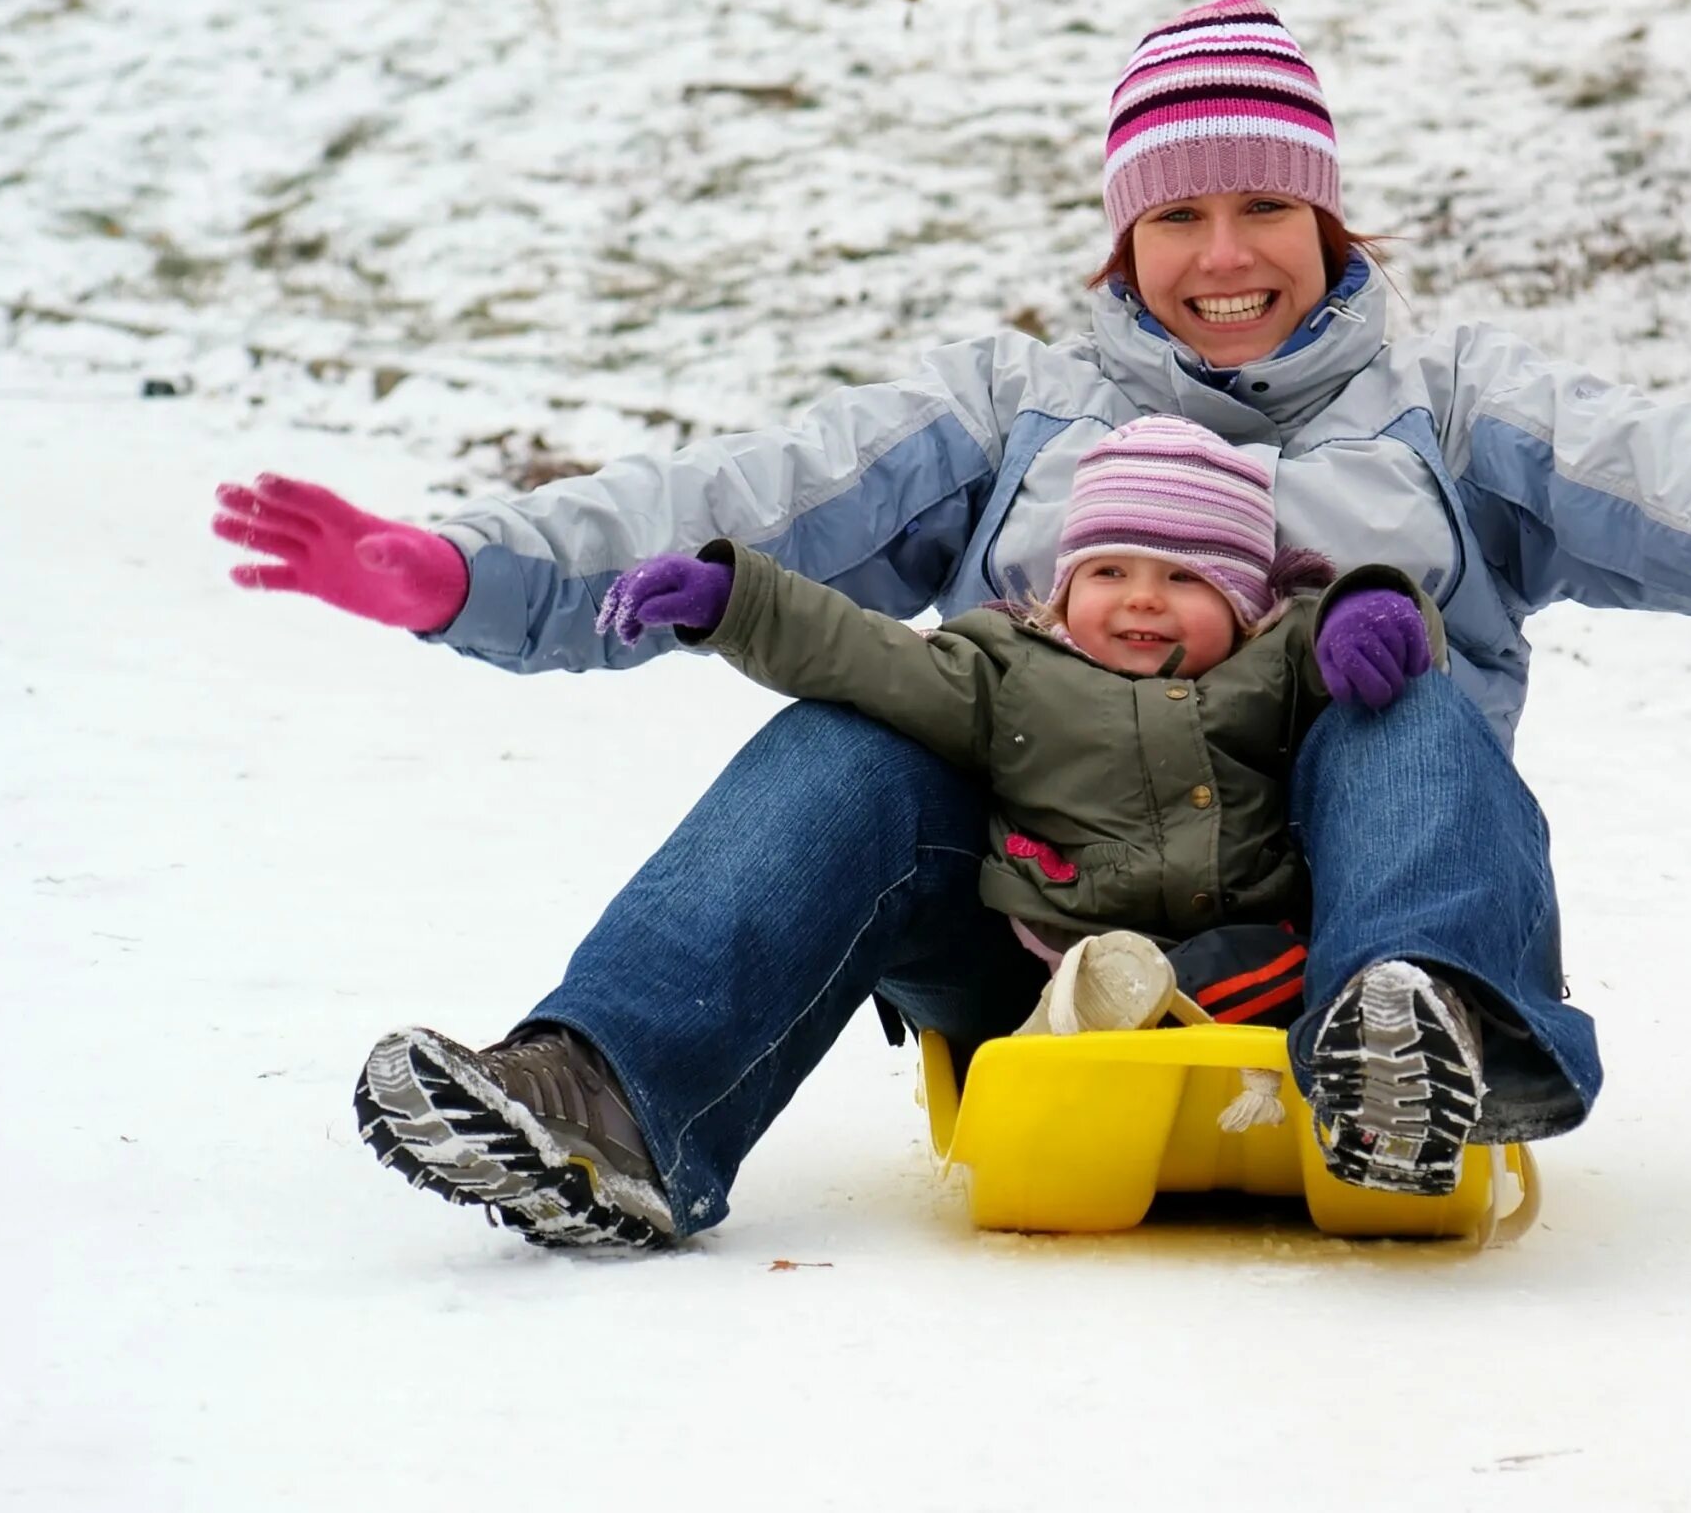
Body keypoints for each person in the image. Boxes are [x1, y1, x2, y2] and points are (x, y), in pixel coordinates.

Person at [215, 0, 1691, 1251]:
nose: (1225, 259)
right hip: (1035, 924)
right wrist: (474, 572)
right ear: (1120, 239)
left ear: (1330, 219)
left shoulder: (1453, 406)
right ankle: (612, 1091)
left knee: (1401, 691)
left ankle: (1425, 1036)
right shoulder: (1008, 405)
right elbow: (743, 502)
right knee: (866, 722)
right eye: (1178, 218)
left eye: (1264, 209)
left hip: (1342, 932)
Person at [598, 412, 1456, 1148]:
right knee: (1094, 984)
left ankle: (1380, 1066)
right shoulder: (1010, 670)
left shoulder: (1273, 665)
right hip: (1059, 971)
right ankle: (1083, 1055)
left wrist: (1369, 609)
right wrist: (735, 600)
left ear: (1240, 600)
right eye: (1110, 571)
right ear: (1068, 581)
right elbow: (866, 653)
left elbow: (1359, 637)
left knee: (1278, 955)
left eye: (1183, 577)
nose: (1141, 601)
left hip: (1251, 949)